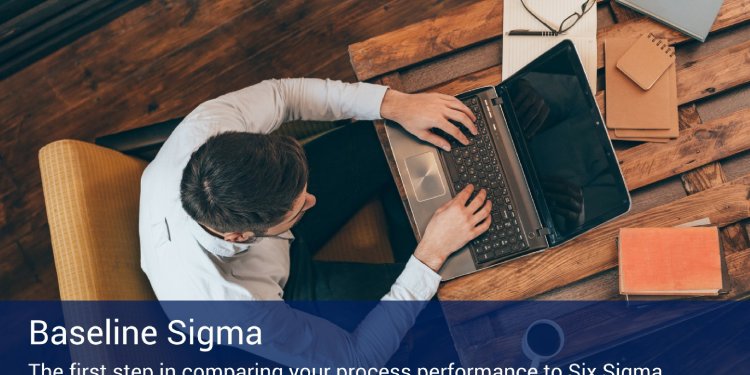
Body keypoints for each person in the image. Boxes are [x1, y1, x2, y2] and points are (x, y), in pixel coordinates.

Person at [139, 78, 492, 366]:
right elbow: (355, 359)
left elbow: (284, 94)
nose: (314, 201)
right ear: (240, 235)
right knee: (456, 283)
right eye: (300, 207)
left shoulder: (210, 127)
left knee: (384, 133)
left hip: (264, 215)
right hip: (287, 293)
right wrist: (429, 255)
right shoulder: (233, 308)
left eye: (304, 191)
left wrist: (394, 104)